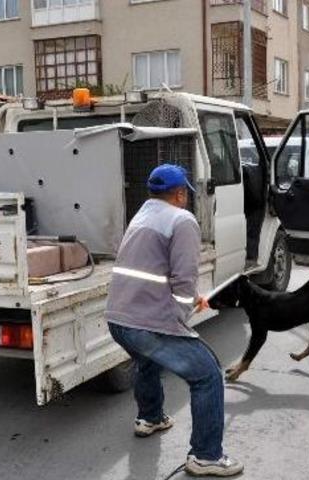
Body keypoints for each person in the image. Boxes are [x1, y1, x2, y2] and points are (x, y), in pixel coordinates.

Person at [105, 164, 243, 477]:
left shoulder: (141, 217)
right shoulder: (182, 220)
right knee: (207, 375)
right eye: (185, 194)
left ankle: (150, 417)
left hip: (118, 320)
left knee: (147, 361)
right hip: (147, 323)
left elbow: (149, 269)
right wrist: (182, 316)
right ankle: (206, 456)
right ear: (180, 194)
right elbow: (184, 279)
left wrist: (184, 297)